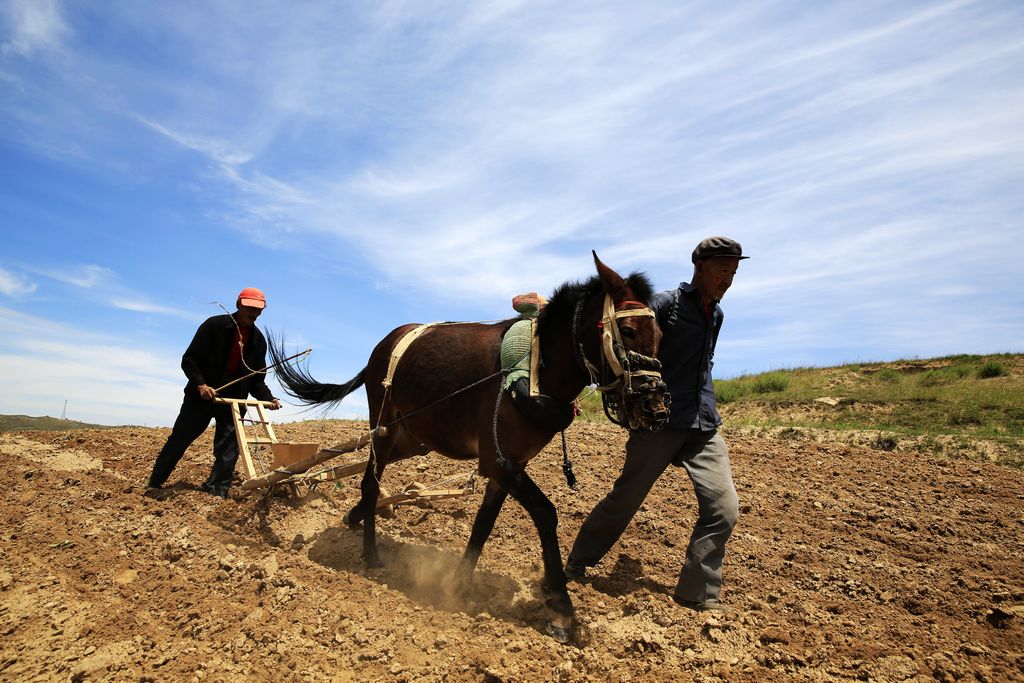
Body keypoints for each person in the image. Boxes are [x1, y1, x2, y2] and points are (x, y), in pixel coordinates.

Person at [565, 236, 748, 612]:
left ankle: (698, 593)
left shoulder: (717, 314)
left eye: (733, 272)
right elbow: (627, 348)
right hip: (659, 422)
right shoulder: (665, 304)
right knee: (625, 500)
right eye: (722, 271)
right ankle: (578, 561)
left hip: (703, 425)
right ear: (699, 267)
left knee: (724, 509)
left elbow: (705, 363)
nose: (728, 279)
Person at [147, 287, 281, 499]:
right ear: (238, 305)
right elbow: (189, 360)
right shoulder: (214, 326)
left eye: (258, 310)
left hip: (233, 401)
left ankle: (217, 492)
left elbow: (256, 380)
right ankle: (155, 481)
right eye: (249, 308)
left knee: (229, 448)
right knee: (180, 438)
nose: (253, 313)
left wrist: (268, 398)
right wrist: (200, 384)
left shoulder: (257, 341)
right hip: (201, 397)